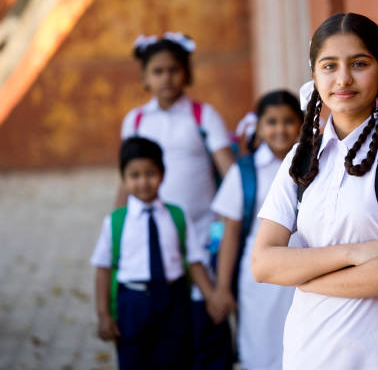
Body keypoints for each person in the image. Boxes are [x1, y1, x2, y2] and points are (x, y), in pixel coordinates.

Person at [252, 13, 378, 369]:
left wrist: (307, 278)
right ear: (314, 75)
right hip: (310, 352)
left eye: (359, 64)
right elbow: (264, 263)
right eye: (329, 66)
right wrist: (358, 253)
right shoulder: (300, 160)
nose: (343, 79)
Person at [117, 32, 234, 369]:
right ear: (144, 77)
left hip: (202, 231)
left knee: (206, 315)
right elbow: (125, 179)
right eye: (157, 71)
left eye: (173, 70)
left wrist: (235, 218)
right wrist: (119, 226)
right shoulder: (136, 121)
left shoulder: (202, 116)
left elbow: (229, 173)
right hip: (156, 238)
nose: (166, 78)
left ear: (186, 73)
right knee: (166, 320)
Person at [91, 137, 216, 369]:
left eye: (150, 173)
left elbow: (194, 261)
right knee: (133, 361)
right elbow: (103, 268)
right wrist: (103, 314)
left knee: (177, 359)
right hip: (132, 304)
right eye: (135, 176)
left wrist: (212, 298)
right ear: (124, 178)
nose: (143, 182)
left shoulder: (177, 215)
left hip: (174, 301)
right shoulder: (115, 222)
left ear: (163, 174)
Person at [209, 91, 304, 370]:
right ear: (259, 127)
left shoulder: (316, 165)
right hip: (260, 278)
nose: (280, 129)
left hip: (307, 266)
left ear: (301, 124)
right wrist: (223, 288)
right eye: (271, 122)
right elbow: (231, 232)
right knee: (262, 348)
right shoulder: (245, 172)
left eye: (288, 121)